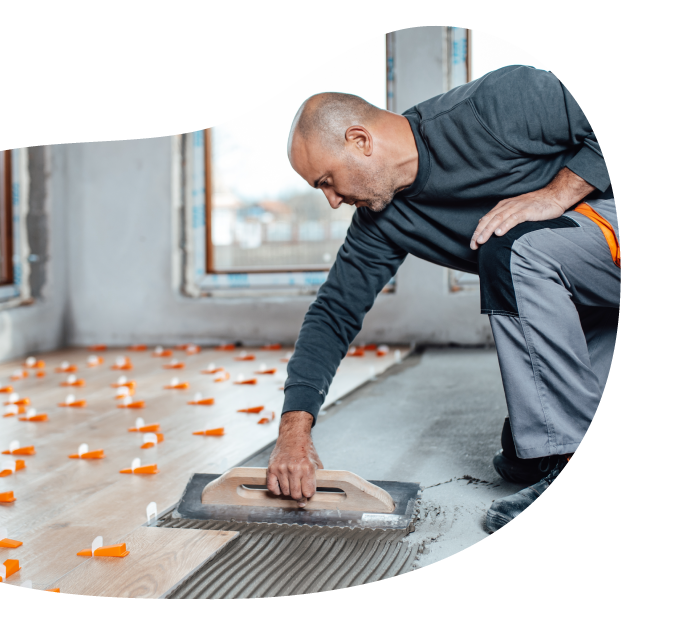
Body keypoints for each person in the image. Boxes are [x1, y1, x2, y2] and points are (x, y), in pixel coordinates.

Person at [265, 64, 632, 532]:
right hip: (596, 292)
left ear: (360, 141)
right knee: (526, 451)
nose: (332, 201)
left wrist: (558, 193)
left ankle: (586, 480)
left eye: (326, 181)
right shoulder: (381, 221)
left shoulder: (499, 103)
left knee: (512, 245)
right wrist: (294, 432)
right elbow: (334, 312)